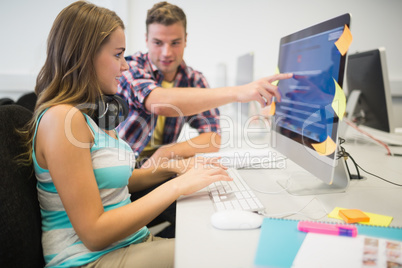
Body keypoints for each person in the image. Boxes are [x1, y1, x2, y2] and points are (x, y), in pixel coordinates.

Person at [19, 1, 230, 267]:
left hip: (131, 242)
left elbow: (119, 182)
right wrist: (177, 186)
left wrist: (176, 169)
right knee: (222, 251)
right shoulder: (62, 119)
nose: (125, 66)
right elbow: (95, 234)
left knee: (221, 239)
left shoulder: (93, 114)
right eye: (118, 55)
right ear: (85, 56)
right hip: (90, 259)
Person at [117, 1, 293, 168]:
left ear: (186, 40)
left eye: (175, 43)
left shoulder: (194, 79)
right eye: (158, 43)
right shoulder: (130, 67)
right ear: (146, 40)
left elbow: (213, 138)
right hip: (121, 173)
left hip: (156, 170)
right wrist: (238, 92)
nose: (166, 52)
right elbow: (160, 103)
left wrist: (167, 152)